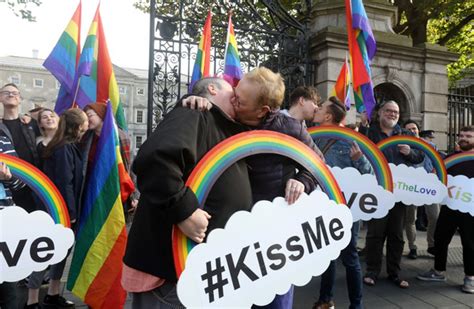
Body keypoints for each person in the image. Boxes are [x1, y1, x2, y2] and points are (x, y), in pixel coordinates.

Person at [183, 68, 322, 308]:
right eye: (235, 93)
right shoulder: (230, 118)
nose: (233, 100)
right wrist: (196, 101)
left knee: (276, 299)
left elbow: (318, 162)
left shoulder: (289, 127)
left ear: (263, 110)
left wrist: (303, 180)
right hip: (234, 231)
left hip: (276, 235)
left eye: (240, 100)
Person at [122, 77, 254, 308]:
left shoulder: (225, 127)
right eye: (232, 92)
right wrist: (184, 211)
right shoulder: (193, 113)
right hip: (172, 271)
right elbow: (155, 160)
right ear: (212, 89)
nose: (236, 98)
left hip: (203, 271)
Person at [24, 108, 89, 309]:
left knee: (61, 252)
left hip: (59, 211)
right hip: (58, 213)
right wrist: (70, 214)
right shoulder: (63, 148)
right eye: (85, 123)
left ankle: (52, 294)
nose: (86, 126)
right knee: (45, 252)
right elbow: (64, 182)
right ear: (78, 126)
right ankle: (31, 301)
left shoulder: (66, 146)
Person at [311, 97, 372, 309]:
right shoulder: (314, 138)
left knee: (349, 257)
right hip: (322, 206)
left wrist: (359, 160)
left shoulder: (349, 141)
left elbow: (370, 175)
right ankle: (325, 300)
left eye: (321, 108)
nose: (317, 110)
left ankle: (357, 305)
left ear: (328, 116)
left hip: (347, 208)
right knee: (327, 255)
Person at [359, 100, 424, 289]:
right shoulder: (370, 132)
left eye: (395, 111)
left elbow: (421, 155)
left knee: (396, 234)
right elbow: (359, 148)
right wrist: (362, 128)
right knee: (375, 233)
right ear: (380, 113)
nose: (392, 114)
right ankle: (372, 271)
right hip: (377, 190)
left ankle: (394, 273)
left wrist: (410, 152)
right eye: (388, 110)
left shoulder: (405, 134)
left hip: (398, 192)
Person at [417, 125, 474, 294]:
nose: (463, 138)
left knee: (469, 243)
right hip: (450, 205)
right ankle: (438, 271)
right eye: (461, 135)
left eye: (469, 136)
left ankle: (470, 277)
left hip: (470, 209)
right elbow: (440, 176)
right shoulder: (452, 157)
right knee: (440, 238)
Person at [81, 102, 137, 216]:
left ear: (101, 115)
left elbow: (129, 168)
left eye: (90, 115)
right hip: (92, 190)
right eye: (85, 116)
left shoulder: (120, 137)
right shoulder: (85, 138)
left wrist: (134, 195)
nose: (87, 119)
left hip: (114, 188)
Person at [0, 130, 25, 309]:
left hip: (5, 223)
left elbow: (21, 181)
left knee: (9, 289)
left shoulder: (2, 141)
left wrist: (8, 178)